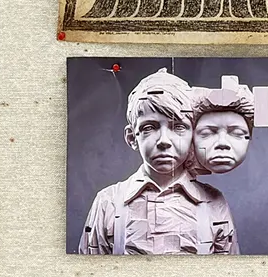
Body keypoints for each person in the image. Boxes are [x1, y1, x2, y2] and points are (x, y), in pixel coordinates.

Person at [77, 70, 239, 255]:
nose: (164, 140)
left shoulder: (214, 204)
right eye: (149, 127)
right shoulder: (108, 203)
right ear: (132, 138)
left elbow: (228, 270)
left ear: (194, 136)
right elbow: (91, 270)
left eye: (178, 127)